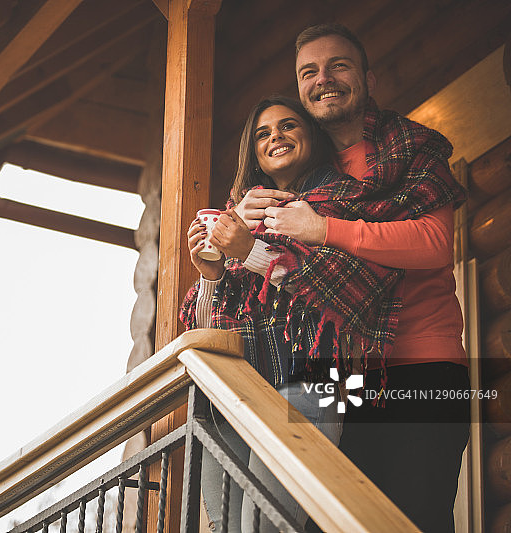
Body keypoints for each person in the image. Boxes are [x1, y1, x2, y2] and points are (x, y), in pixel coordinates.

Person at [238, 23, 469, 532]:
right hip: (341, 371)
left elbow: (433, 244)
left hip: (422, 364)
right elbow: (273, 268)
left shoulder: (411, 147)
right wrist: (244, 213)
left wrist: (323, 227)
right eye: (309, 72)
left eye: (338, 66)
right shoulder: (302, 164)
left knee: (415, 517)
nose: (324, 80)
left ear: (367, 76)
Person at [181, 95, 356, 533]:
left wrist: (250, 252)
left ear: (311, 136)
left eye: (288, 126)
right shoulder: (236, 217)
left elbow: (334, 286)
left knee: (264, 526)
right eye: (263, 133)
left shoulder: (337, 196)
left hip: (312, 381)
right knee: (229, 528)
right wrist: (211, 274)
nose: (275, 136)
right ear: (252, 152)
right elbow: (200, 327)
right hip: (237, 394)